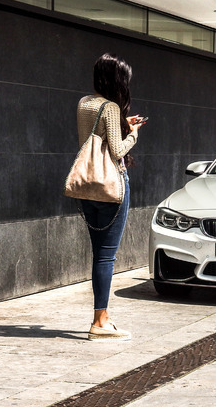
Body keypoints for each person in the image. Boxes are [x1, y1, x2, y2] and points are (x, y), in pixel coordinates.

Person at [77, 53, 143, 341]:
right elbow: (117, 150)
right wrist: (135, 133)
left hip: (87, 185)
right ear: (117, 80)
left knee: (98, 255)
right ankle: (100, 321)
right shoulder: (111, 107)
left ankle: (100, 317)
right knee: (107, 256)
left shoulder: (85, 103)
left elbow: (96, 136)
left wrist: (122, 123)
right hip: (112, 184)